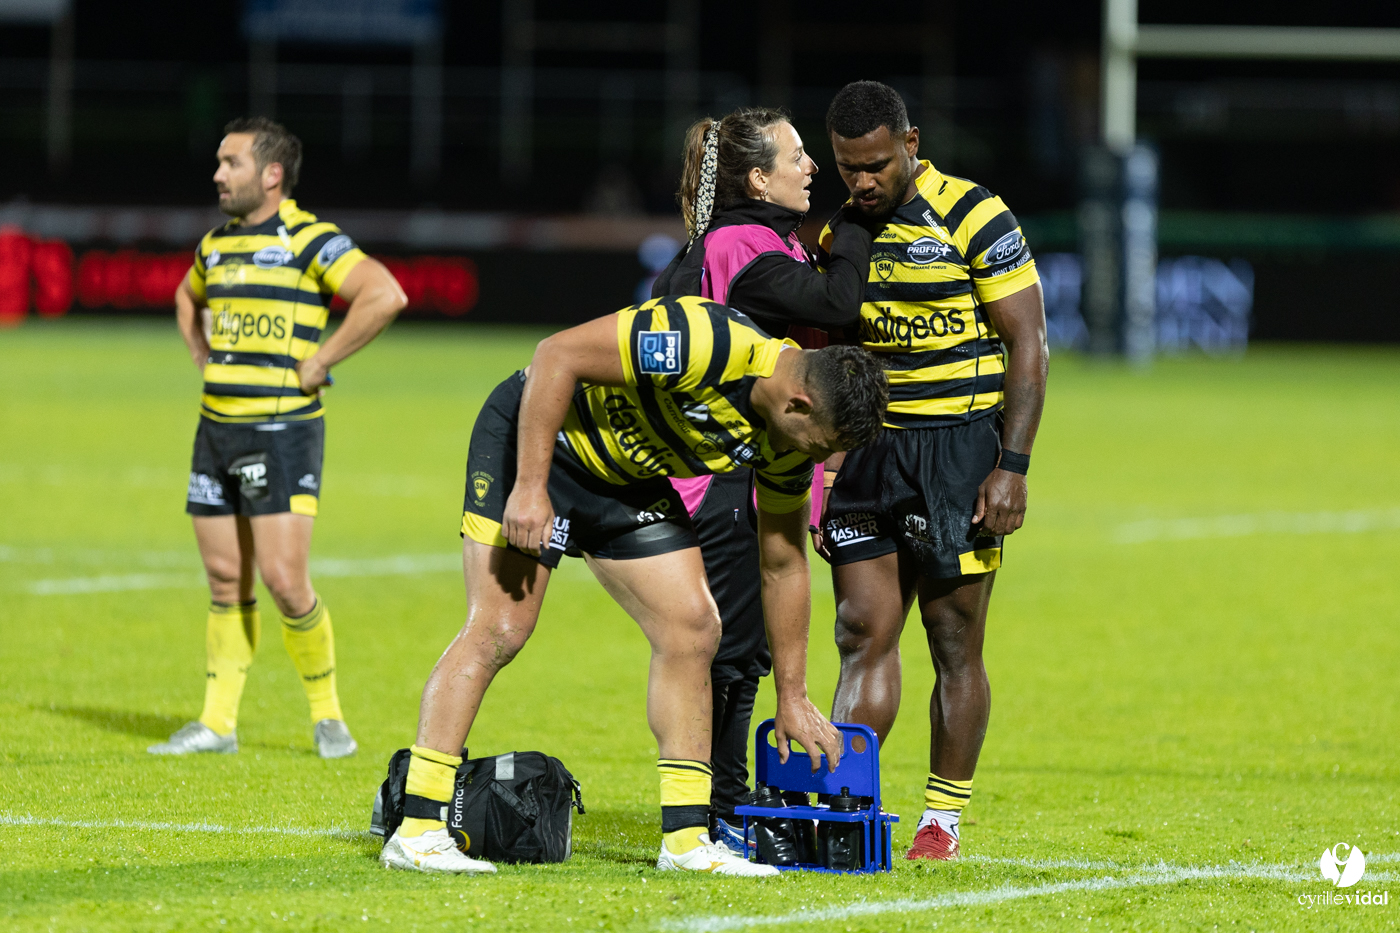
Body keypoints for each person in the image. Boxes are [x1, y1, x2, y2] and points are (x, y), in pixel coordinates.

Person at [379, 294, 888, 876]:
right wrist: (530, 487)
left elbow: (783, 564)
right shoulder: (707, 342)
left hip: (626, 481)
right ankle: (417, 828)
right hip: (539, 444)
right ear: (799, 403)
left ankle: (687, 841)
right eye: (822, 446)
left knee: (694, 629)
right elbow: (556, 355)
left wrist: (792, 694)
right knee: (501, 628)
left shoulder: (786, 442)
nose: (819, 461)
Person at [815, 82, 1049, 860]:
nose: (864, 182)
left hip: (958, 452)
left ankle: (941, 820)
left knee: (954, 639)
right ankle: (848, 806)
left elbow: (1029, 345)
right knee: (860, 630)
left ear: (911, 142)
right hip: (871, 450)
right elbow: (835, 356)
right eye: (848, 168)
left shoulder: (977, 215)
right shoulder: (841, 232)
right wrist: (830, 462)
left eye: (877, 164)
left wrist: (1011, 466)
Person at [652, 107, 872, 852]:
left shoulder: (751, 240)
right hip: (720, 476)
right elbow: (839, 304)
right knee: (727, 644)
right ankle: (708, 811)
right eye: (798, 154)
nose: (812, 166)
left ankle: (721, 803)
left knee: (736, 646)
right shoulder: (741, 242)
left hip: (744, 472)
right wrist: (860, 224)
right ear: (756, 178)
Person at [152, 117, 407, 759]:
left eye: (230, 162)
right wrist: (202, 354)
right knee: (221, 577)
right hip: (216, 431)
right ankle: (217, 723)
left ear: (271, 174)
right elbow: (188, 297)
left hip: (281, 432)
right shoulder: (215, 246)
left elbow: (384, 294)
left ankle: (329, 718)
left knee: (285, 581)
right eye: (218, 162)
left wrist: (321, 362)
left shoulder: (309, 238)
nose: (217, 174)